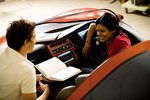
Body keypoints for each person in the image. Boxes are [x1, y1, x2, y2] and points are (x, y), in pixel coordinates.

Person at [0, 19, 50, 100]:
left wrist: (40, 77)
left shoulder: (2, 50)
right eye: (34, 37)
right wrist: (46, 92)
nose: (35, 41)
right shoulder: (27, 70)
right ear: (26, 42)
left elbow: (15, 77)